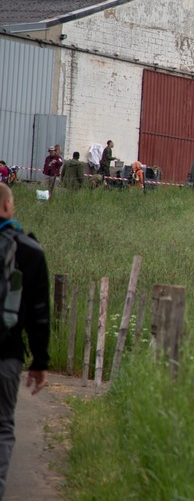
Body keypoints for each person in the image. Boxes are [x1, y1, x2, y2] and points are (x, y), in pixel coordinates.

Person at [0, 183, 51, 498]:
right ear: (6, 207)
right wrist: (40, 362)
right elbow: (39, 313)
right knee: (2, 427)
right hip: (6, 355)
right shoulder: (29, 251)